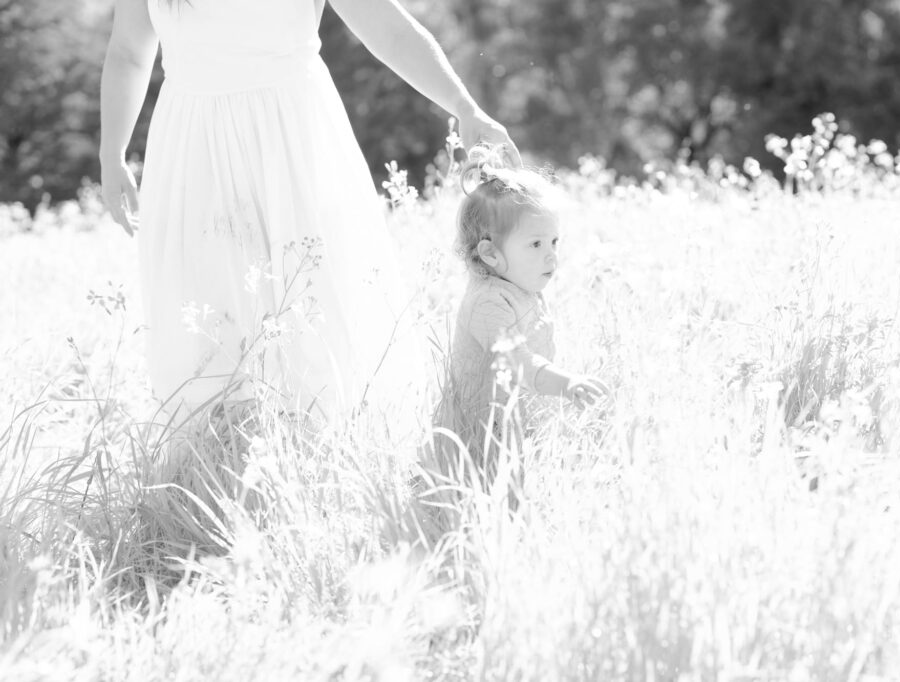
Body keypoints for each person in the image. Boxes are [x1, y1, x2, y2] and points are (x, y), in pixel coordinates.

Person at [99, 0, 520, 423]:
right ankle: (212, 463)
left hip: (293, 136)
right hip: (194, 145)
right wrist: (110, 153)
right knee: (206, 312)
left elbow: (387, 28)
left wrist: (464, 106)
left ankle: (326, 448)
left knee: (315, 300)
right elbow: (129, 52)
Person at [432, 146, 609, 492]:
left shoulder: (519, 286)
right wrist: (566, 384)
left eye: (554, 242)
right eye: (535, 244)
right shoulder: (488, 302)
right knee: (484, 500)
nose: (551, 256)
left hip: (508, 426)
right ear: (490, 253)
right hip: (477, 435)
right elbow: (517, 363)